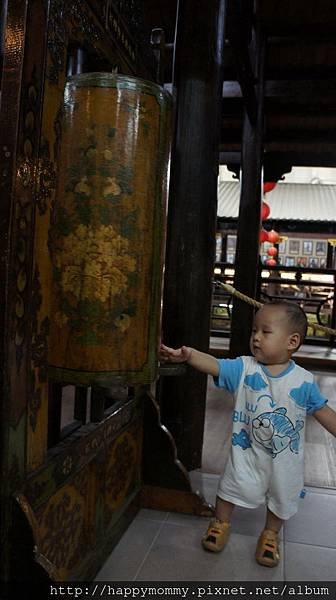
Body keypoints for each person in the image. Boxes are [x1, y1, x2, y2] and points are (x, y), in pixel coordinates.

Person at [159, 300, 336, 568]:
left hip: (283, 460)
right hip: (247, 451)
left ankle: (270, 534)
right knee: (230, 485)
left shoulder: (303, 381)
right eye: (254, 330)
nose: (255, 337)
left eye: (265, 332)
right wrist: (190, 355)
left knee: (281, 495)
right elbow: (215, 365)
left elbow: (323, 412)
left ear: (292, 341)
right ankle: (220, 522)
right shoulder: (245, 368)